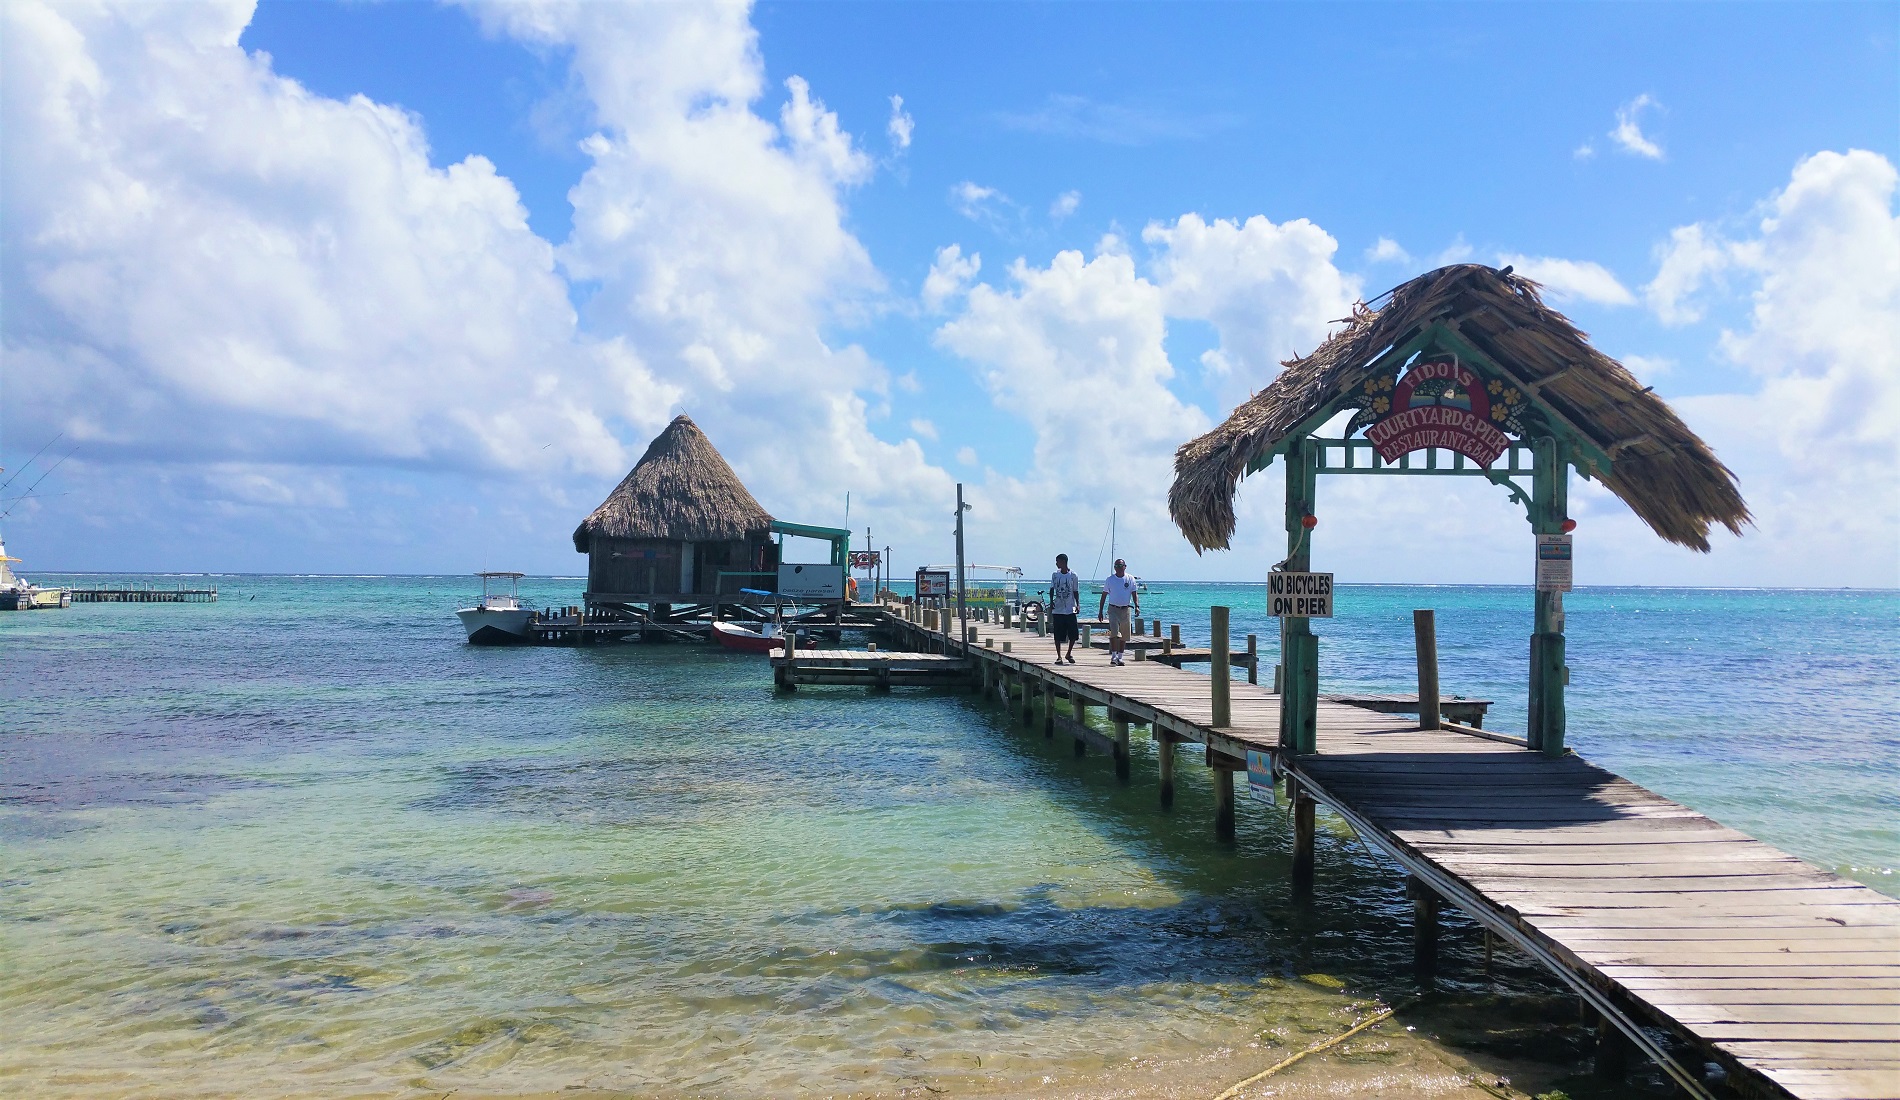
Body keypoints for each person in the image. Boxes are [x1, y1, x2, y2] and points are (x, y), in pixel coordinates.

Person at [1098, 557, 1140, 666]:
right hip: (1113, 609)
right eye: (1116, 566)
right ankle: (1113, 656)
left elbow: (1134, 593)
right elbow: (1104, 596)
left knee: (1124, 635)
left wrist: (1137, 606)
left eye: (1120, 566)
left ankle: (1120, 657)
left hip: (1125, 609)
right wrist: (1100, 611)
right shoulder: (1110, 579)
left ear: (1125, 567)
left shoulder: (1130, 579)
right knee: (1114, 633)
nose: (1118, 568)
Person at [1047, 553, 1081, 663]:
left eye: (1058, 561)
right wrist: (1051, 601)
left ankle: (1069, 653)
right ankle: (1059, 656)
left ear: (1063, 561)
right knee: (1057, 633)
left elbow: (1075, 591)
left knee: (1073, 633)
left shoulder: (1073, 575)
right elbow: (1052, 588)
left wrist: (1078, 604)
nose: (1056, 563)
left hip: (1070, 608)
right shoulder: (1055, 575)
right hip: (1058, 608)